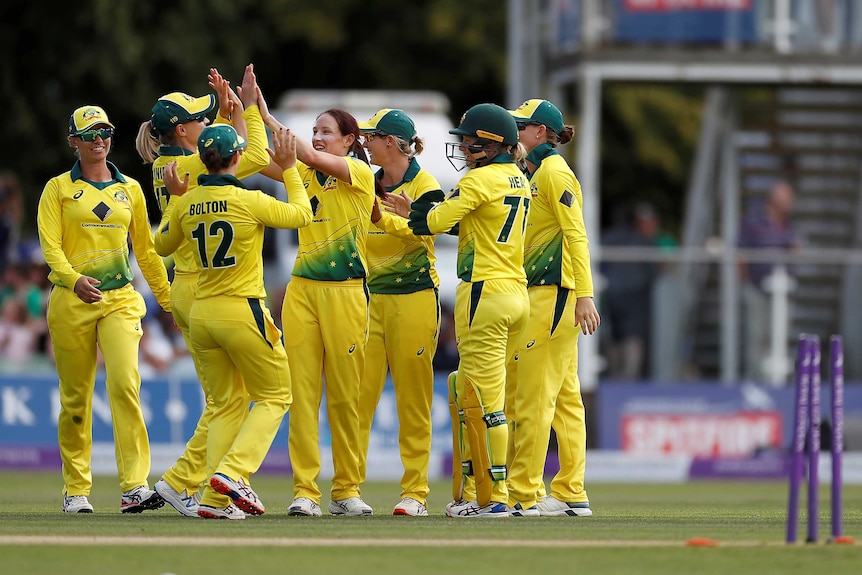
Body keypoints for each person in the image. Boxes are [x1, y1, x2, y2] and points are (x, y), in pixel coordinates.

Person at [154, 124, 311, 519]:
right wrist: (290, 167)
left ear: (204, 159)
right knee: (276, 395)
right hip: (242, 309)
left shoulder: (187, 202)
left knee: (225, 404)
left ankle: (213, 499)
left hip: (202, 313)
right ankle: (233, 472)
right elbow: (302, 215)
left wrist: (175, 200)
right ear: (238, 157)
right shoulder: (249, 199)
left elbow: (161, 246)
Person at [135, 65, 271, 517]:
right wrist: (248, 110)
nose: (206, 122)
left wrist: (227, 114)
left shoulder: (167, 163)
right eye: (200, 118)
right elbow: (248, 158)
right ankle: (211, 487)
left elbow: (225, 155)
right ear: (180, 129)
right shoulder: (188, 163)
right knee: (236, 399)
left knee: (225, 400)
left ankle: (183, 483)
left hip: (189, 288)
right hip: (209, 288)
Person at [387, 103, 530, 518]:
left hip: (484, 292)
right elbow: (462, 221)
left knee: (485, 401)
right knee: (469, 391)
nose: (463, 147)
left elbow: (437, 221)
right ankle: (474, 491)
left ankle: (497, 498)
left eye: (470, 140)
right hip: (515, 293)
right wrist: (412, 212)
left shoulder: (479, 180)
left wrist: (414, 212)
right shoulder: (517, 178)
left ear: (489, 143)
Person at [37, 105, 172, 514]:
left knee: (125, 385)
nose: (100, 140)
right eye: (90, 133)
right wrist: (73, 279)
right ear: (73, 141)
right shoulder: (58, 188)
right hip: (70, 300)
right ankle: (76, 489)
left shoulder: (129, 188)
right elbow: (50, 247)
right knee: (75, 398)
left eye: (106, 132)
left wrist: (169, 301)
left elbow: (146, 253)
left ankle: (134, 486)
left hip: (119, 299)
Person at [256, 95, 377, 517]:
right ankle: (304, 492)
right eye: (315, 131)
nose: (317, 138)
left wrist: (268, 113)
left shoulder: (360, 172)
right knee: (302, 397)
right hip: (302, 291)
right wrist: (240, 110)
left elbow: (301, 153)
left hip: (346, 293)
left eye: (327, 132)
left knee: (345, 397)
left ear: (349, 141)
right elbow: (255, 157)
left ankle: (346, 490)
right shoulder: (302, 173)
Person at [505, 98, 600, 518]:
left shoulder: (553, 171)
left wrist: (584, 294)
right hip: (547, 293)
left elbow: (576, 236)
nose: (515, 133)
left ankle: (524, 492)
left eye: (521, 127)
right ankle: (570, 492)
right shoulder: (534, 170)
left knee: (535, 397)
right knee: (564, 400)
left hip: (552, 294)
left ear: (540, 133)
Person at [354, 109, 443, 517]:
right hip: (369, 301)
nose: (364, 142)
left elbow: (428, 230)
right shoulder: (361, 181)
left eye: (371, 136)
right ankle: (348, 490)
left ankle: (415, 493)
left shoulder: (425, 184)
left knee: (413, 399)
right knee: (358, 398)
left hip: (414, 298)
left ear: (390, 141)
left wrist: (385, 219)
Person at [738, 179, 799, 382]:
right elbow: (741, 253)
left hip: (782, 289)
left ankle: (776, 381)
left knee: (779, 335)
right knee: (757, 335)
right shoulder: (753, 223)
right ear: (774, 200)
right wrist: (746, 281)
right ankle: (757, 380)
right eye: (787, 198)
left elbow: (795, 250)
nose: (791, 203)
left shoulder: (789, 225)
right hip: (757, 287)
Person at [600, 202, 658, 379]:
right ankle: (629, 377)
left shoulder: (606, 238)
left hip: (611, 293)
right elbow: (652, 270)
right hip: (635, 295)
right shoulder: (643, 241)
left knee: (614, 336)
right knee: (632, 335)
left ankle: (615, 376)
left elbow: (599, 268)